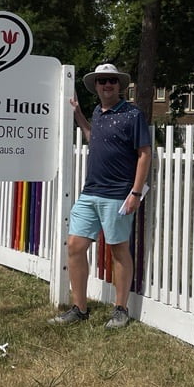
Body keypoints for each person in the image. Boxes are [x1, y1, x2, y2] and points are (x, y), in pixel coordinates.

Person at [49, 63, 152, 329]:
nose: (107, 85)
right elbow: (93, 137)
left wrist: (135, 192)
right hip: (90, 191)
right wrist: (80, 115)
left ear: (120, 86)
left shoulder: (132, 114)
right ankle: (79, 308)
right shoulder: (98, 111)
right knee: (74, 246)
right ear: (96, 86)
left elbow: (144, 153)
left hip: (118, 194)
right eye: (102, 81)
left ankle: (120, 309)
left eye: (112, 81)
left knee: (119, 250)